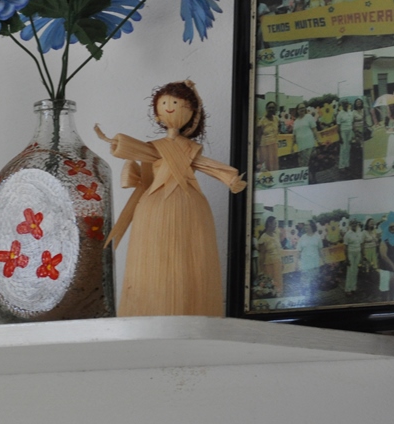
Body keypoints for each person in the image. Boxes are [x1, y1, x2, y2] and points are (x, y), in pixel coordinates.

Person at [95, 80, 246, 316]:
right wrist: (116, 143)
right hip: (153, 205)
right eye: (164, 103)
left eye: (176, 103)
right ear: (157, 113)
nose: (169, 107)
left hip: (189, 204)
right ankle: (144, 311)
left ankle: (195, 310)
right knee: (150, 259)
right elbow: (133, 149)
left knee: (191, 259)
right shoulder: (155, 147)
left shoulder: (190, 149)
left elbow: (206, 165)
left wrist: (230, 178)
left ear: (192, 113)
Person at [257, 216, 284, 297]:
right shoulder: (263, 237)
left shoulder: (276, 235)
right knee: (271, 286)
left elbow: (278, 251)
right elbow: (261, 256)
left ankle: (278, 298)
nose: (276, 225)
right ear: (269, 224)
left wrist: (281, 262)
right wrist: (261, 270)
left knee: (279, 285)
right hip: (269, 265)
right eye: (275, 223)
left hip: (278, 263)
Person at [297, 220, 323, 296]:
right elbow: (299, 251)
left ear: (312, 226)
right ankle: (305, 295)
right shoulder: (302, 237)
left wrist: (324, 261)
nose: (306, 226)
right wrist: (296, 263)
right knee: (304, 281)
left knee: (313, 280)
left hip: (314, 262)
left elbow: (320, 250)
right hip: (305, 262)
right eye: (305, 225)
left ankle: (312, 296)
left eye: (307, 225)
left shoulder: (317, 237)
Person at [292, 104, 319, 169]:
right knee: (302, 165)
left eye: (303, 108)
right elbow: (294, 135)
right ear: (297, 110)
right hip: (301, 147)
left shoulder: (309, 117)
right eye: (300, 108)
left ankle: (311, 175)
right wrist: (292, 147)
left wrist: (318, 140)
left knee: (310, 164)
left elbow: (314, 129)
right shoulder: (296, 121)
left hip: (309, 145)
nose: (302, 109)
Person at [256, 101, 280, 172]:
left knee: (274, 164)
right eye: (269, 108)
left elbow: (278, 129)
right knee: (267, 165)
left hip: (274, 144)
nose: (271, 109)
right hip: (265, 146)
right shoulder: (262, 121)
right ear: (266, 109)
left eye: (273, 108)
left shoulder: (276, 119)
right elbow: (258, 136)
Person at [343, 219, 364, 295]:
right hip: (350, 253)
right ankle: (347, 289)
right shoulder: (347, 234)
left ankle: (353, 287)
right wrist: (346, 258)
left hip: (358, 253)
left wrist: (362, 256)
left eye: (355, 223)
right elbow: (345, 247)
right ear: (350, 225)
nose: (354, 225)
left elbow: (361, 244)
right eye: (352, 224)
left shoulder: (359, 233)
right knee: (350, 271)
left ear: (357, 224)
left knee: (356, 271)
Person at [337, 100, 354, 170]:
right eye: (344, 104)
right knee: (343, 149)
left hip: (350, 131)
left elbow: (352, 122)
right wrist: (340, 137)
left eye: (346, 104)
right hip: (343, 132)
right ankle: (341, 166)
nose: (346, 105)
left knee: (348, 148)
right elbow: (338, 126)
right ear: (342, 105)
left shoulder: (350, 112)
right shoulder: (340, 114)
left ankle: (347, 164)